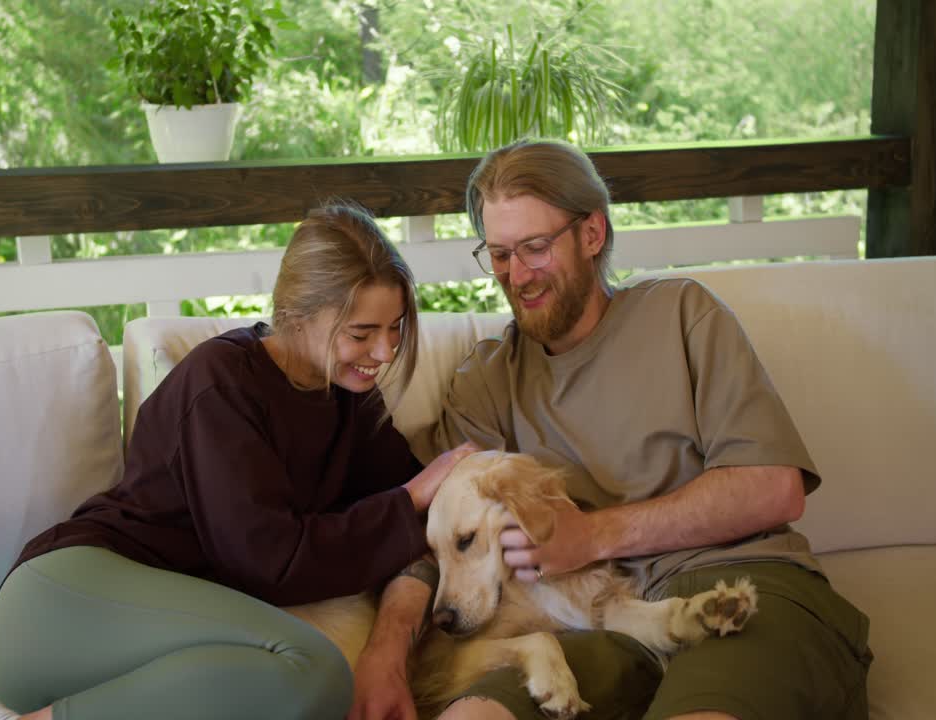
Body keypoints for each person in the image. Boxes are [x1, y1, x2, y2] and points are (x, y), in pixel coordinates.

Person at [349, 139, 873, 720]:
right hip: (589, 624)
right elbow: (436, 532)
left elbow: (775, 488)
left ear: (592, 235)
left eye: (535, 247)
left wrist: (592, 536)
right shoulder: (488, 379)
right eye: (498, 254)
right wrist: (386, 651)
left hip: (739, 587)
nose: (516, 275)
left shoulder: (682, 314)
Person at [0, 203, 475, 720]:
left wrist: (390, 642)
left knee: (303, 685)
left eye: (396, 328)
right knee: (312, 670)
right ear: (296, 314)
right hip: (59, 609)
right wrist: (409, 498)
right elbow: (272, 564)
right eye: (361, 333)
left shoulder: (350, 401)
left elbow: (420, 527)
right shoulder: (221, 383)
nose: (384, 352)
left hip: (148, 647)